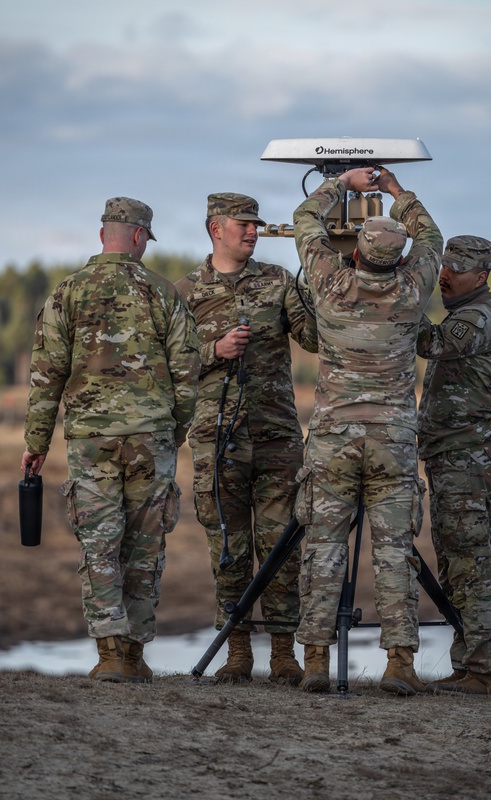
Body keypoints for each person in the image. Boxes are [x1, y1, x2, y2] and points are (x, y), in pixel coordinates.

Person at [21, 197, 200, 684]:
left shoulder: (67, 294)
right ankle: (135, 654)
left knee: (99, 546)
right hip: (151, 439)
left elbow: (46, 376)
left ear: (104, 235)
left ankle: (109, 655)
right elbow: (188, 373)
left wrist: (36, 443)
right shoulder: (163, 293)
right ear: (139, 237)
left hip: (90, 442)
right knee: (145, 547)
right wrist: (174, 432)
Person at [291, 166, 442, 695]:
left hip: (333, 441)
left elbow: (305, 218)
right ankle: (399, 663)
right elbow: (432, 238)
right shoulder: (412, 290)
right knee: (394, 549)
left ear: (355, 251)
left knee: (323, 546)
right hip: (393, 444)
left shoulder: (330, 284)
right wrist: (396, 193)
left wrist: (342, 186)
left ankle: (314, 659)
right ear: (398, 258)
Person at [176, 193, 317, 685]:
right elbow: (169, 364)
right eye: (244, 224)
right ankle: (238, 654)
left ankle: (284, 655)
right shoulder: (186, 292)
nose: (254, 232)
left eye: (257, 225)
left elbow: (315, 339)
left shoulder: (278, 282)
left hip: (277, 436)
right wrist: (213, 350)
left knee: (281, 547)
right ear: (216, 228)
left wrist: (327, 274)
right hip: (219, 442)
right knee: (229, 548)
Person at [416, 235, 491, 696]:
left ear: (482, 276)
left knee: (472, 563)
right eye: (444, 266)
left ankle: (483, 671)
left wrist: (386, 295)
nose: (445, 276)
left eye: (457, 268)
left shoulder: (478, 319)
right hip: (454, 457)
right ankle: (470, 665)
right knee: (457, 563)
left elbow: (430, 342)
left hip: (470, 460)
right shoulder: (463, 314)